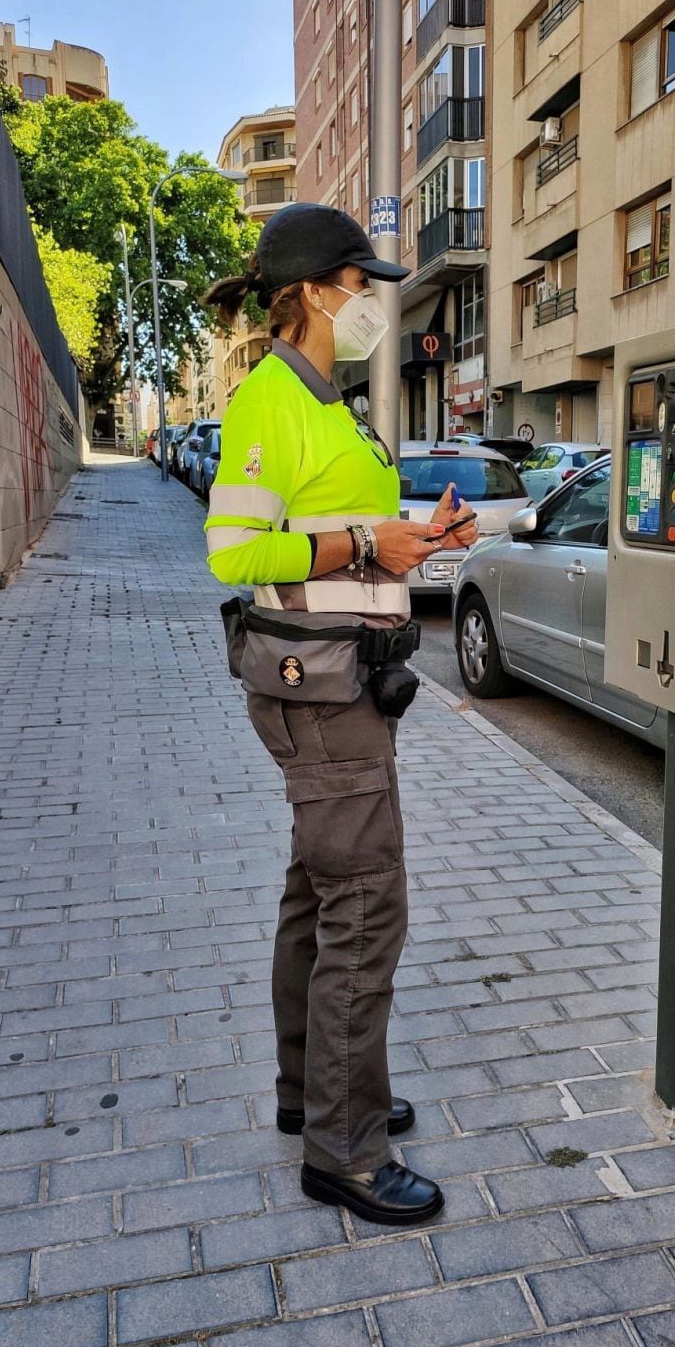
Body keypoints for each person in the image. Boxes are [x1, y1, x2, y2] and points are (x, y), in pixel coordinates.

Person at [202, 204, 478, 1227]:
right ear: (316, 293)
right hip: (319, 688)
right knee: (366, 907)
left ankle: (313, 1095)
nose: (371, 303)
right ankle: (345, 1151)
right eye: (361, 285)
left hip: (342, 680)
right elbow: (234, 552)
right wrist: (371, 550)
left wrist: (407, 538)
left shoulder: (327, 397)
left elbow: (331, 525)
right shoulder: (272, 399)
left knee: (319, 895)